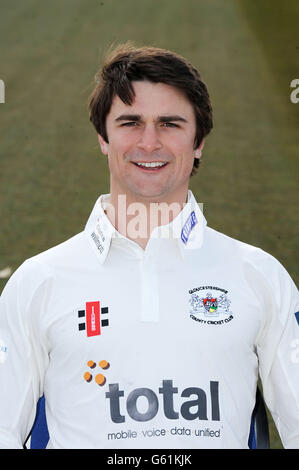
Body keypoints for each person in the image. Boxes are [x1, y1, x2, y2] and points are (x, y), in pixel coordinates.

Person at [0, 43, 298, 450]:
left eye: (170, 124)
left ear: (199, 142)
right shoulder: (36, 282)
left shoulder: (259, 276)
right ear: (103, 138)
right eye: (130, 123)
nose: (149, 143)